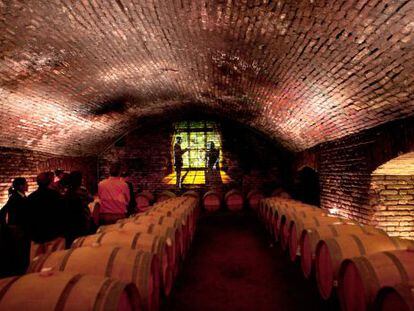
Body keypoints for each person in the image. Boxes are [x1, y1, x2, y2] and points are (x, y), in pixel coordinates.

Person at [0, 178, 30, 275]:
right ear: (21, 186)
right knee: (21, 253)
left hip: (20, 229)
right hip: (19, 230)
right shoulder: (16, 198)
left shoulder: (18, 197)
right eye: (26, 184)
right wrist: (11, 226)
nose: (28, 185)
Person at [26, 172, 64, 243]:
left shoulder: (31, 197)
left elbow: (29, 218)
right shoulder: (55, 195)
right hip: (53, 235)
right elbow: (61, 214)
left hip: (37, 235)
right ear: (49, 181)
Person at [63, 171, 94, 247]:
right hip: (82, 218)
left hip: (70, 221)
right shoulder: (82, 190)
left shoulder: (67, 191)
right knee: (83, 242)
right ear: (79, 180)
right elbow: (91, 198)